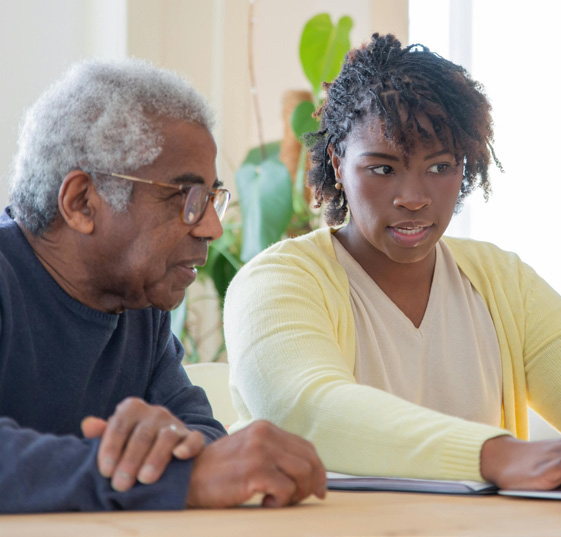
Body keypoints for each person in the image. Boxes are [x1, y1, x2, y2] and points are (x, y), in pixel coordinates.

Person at [224, 34, 561, 492]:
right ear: (337, 163)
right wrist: (500, 455)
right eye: (382, 168)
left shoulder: (501, 280)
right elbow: (309, 409)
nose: (414, 197)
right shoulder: (277, 283)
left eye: (440, 167)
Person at [0, 58, 325, 513]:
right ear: (81, 203)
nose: (211, 226)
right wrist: (167, 478)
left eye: (212, 198)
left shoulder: (139, 302)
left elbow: (201, 435)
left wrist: (171, 446)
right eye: (187, 198)